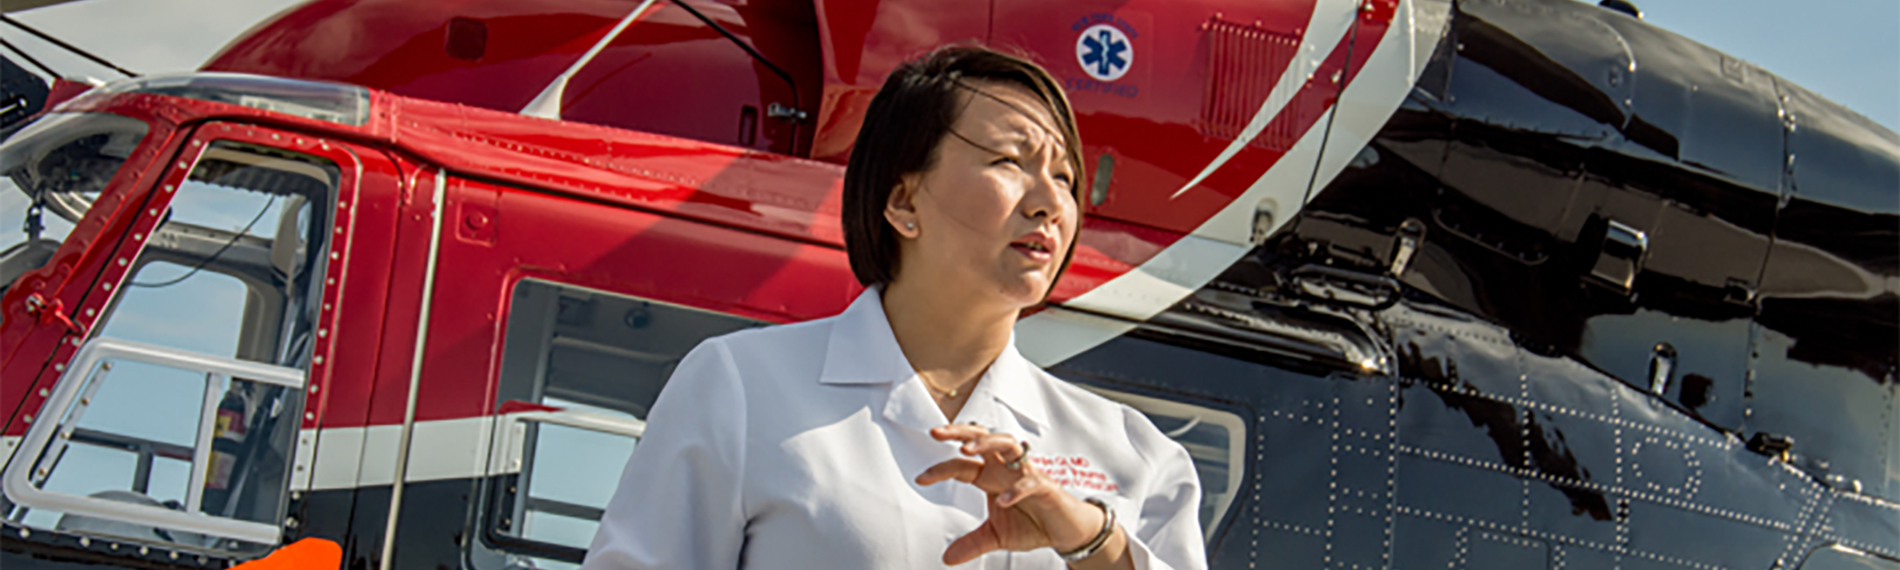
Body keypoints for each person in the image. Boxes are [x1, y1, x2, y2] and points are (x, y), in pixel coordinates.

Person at [581, 45, 1207, 570]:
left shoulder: (1137, 456)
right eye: (1009, 162)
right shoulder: (740, 386)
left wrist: (1091, 541)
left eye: (1066, 178)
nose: (1049, 202)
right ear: (904, 202)